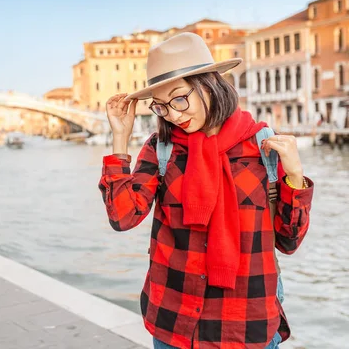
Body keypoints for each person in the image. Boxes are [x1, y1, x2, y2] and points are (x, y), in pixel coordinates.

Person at [99, 32, 313, 349]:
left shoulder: (263, 146)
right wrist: (120, 139)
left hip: (245, 326)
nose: (173, 114)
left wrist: (295, 175)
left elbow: (288, 240)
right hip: (174, 324)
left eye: (179, 98)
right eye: (161, 106)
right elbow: (123, 217)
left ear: (209, 84)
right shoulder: (162, 149)